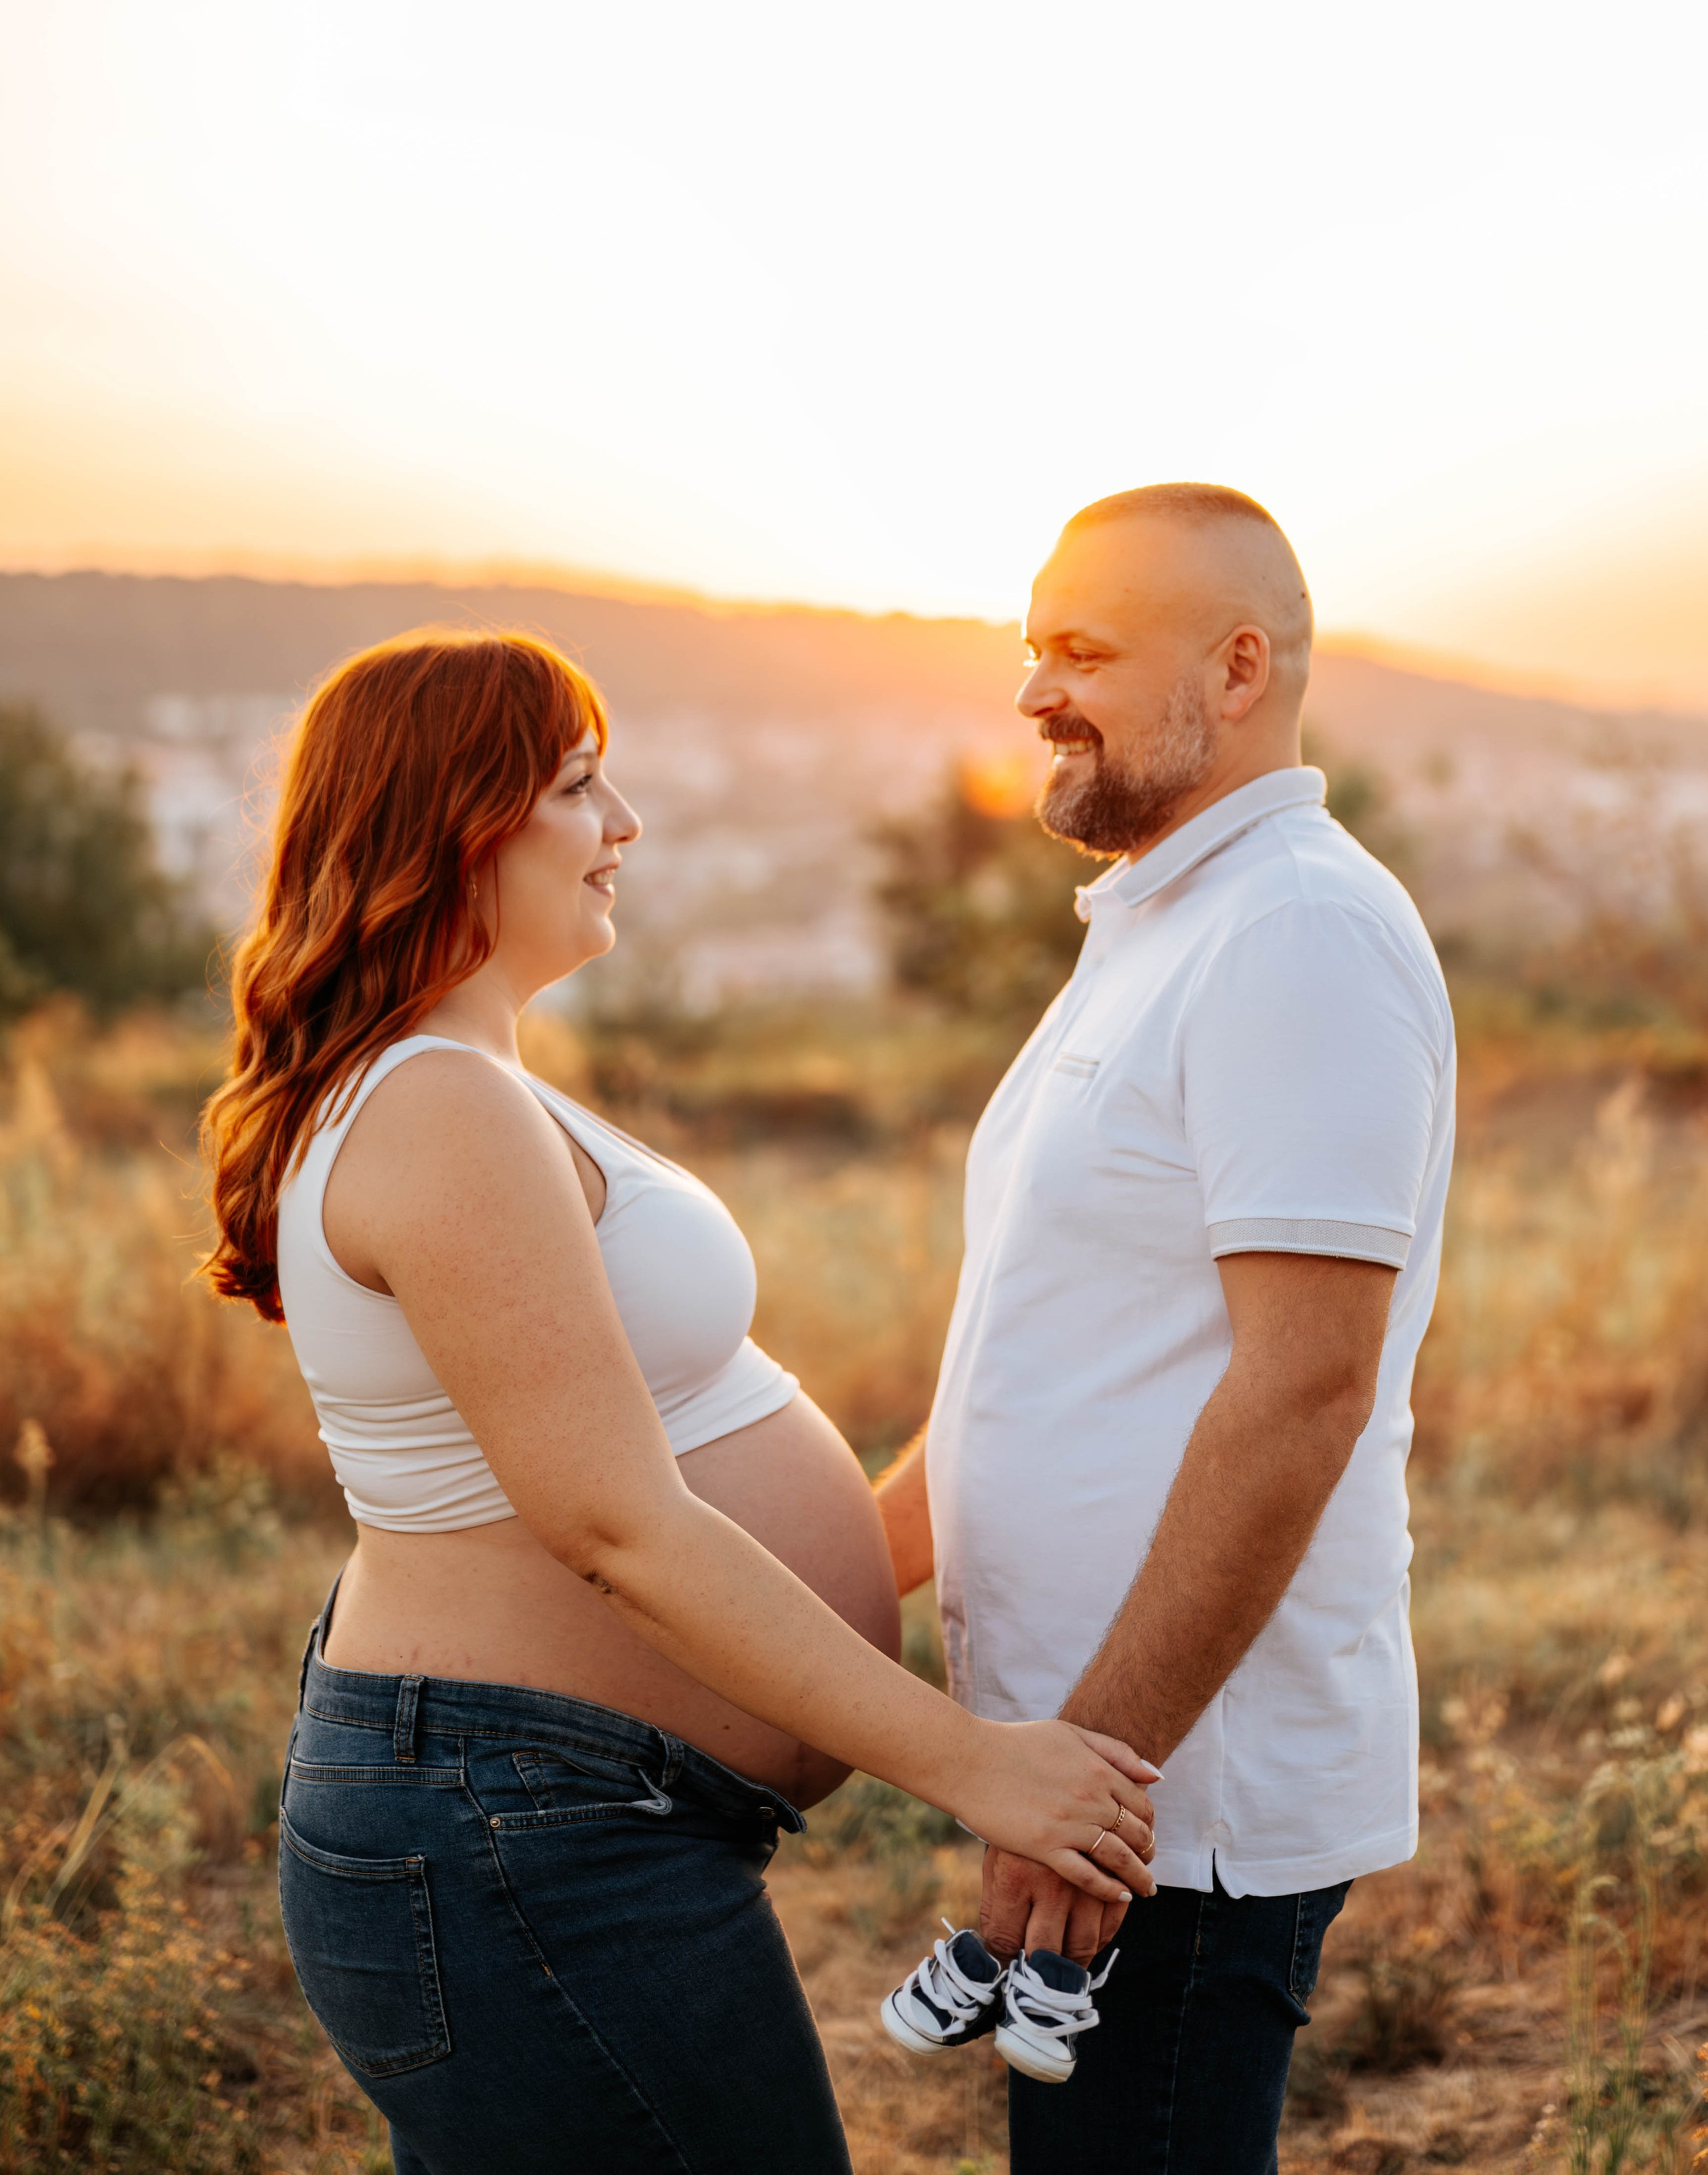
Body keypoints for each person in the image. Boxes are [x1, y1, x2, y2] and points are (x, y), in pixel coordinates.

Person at [200, 627, 1156, 2175]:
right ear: (460, 823)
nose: (624, 823)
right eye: (580, 786)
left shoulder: (464, 1082)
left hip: (548, 1823)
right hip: (521, 1839)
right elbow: (616, 1523)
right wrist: (973, 1762)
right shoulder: (438, 1106)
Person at [875, 484, 1455, 2174]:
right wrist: (785, 1596)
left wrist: (1091, 1788)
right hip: (1091, 1780)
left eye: (1082, 650)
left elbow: (1299, 1393)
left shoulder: (1296, 932)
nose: (1030, 690)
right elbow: (1034, 1371)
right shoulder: (1162, 923)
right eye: (1030, 646)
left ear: (1238, 664)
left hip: (1172, 1813)